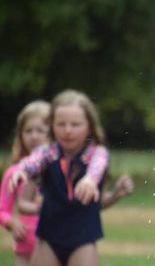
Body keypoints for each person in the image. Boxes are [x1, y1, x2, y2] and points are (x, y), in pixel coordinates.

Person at [9, 90, 110, 266]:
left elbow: (98, 167)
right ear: (52, 126)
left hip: (82, 238)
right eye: (61, 124)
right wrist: (23, 170)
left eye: (75, 124)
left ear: (89, 126)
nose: (68, 130)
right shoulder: (48, 152)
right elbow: (33, 161)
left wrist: (90, 180)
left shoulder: (97, 154)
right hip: (49, 237)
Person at [0, 100, 50, 266]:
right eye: (28, 131)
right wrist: (11, 222)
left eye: (40, 131)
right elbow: (2, 210)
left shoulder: (58, 171)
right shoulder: (14, 173)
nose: (34, 136)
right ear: (20, 135)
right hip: (25, 249)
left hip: (55, 246)